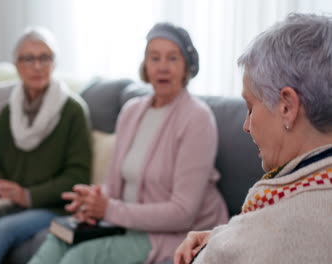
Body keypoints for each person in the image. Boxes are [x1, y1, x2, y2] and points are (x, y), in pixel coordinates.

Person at [28, 22, 228, 264]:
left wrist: (109, 209)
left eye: (172, 58)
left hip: (176, 234)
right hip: (127, 224)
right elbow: (114, 186)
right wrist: (93, 201)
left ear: (186, 66)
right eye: (155, 58)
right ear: (146, 65)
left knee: (79, 256)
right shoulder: (131, 111)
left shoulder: (197, 118)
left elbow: (183, 214)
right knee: (58, 238)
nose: (162, 67)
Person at [174, 13, 332, 264]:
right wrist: (223, 236)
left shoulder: (267, 237)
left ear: (287, 107)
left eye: (251, 107)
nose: (246, 126)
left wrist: (219, 249)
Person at [0, 26, 92, 264]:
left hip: (53, 207)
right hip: (9, 203)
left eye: (44, 58)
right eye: (28, 59)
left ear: (54, 64)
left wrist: (27, 195)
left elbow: (78, 177)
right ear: (16, 65)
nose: (37, 66)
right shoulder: (7, 113)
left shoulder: (73, 111)